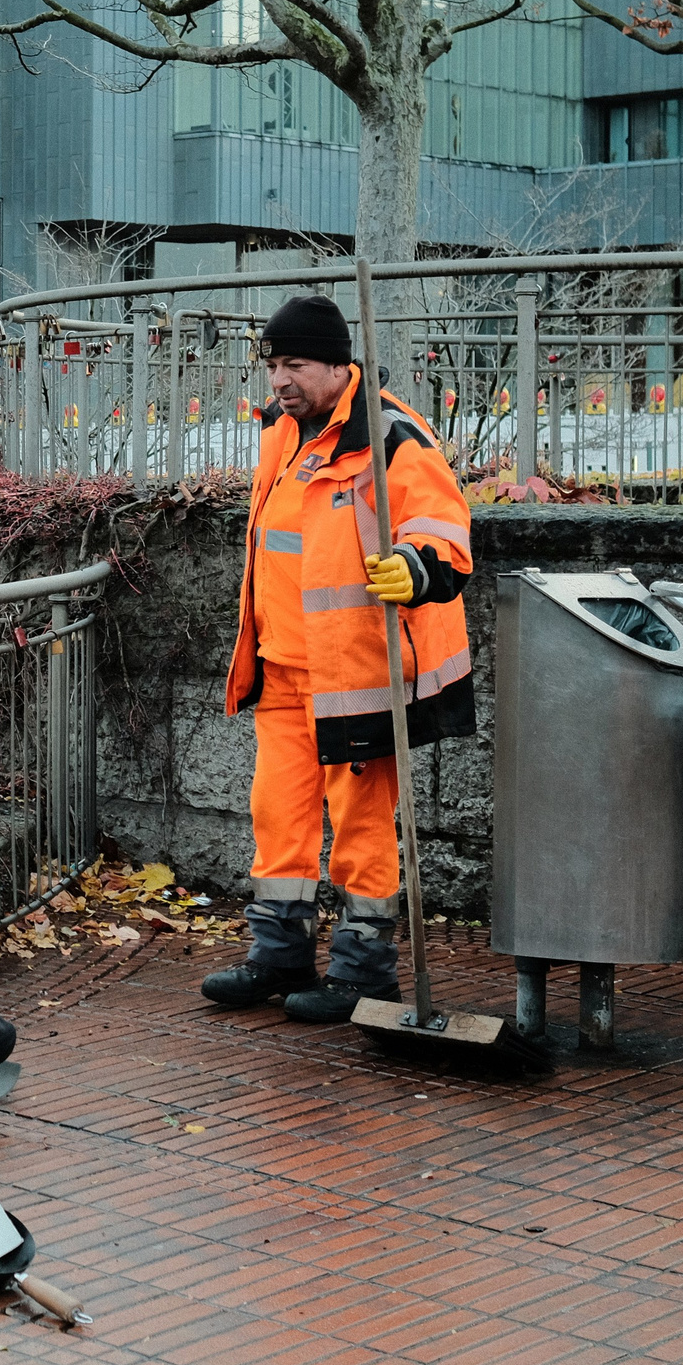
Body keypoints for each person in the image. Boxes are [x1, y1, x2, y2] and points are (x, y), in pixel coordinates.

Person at [200, 294, 477, 1024]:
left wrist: (416, 566)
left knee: (361, 825)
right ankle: (279, 953)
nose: (279, 380)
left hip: (356, 673)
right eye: (272, 366)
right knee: (277, 816)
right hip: (282, 668)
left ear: (335, 365)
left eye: (293, 365)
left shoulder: (389, 435)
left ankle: (363, 971)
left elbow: (444, 528)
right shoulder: (281, 431)